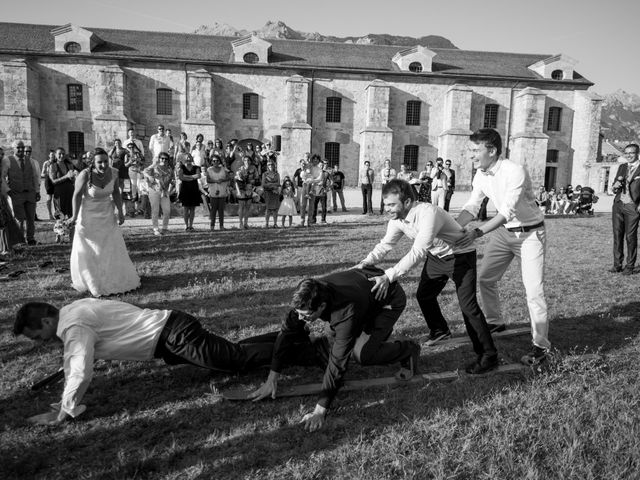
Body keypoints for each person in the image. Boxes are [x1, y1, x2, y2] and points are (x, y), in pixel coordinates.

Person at [13, 298, 299, 425]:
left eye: (37, 336)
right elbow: (75, 359)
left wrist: (64, 411)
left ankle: (303, 349)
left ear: (48, 320)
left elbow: (79, 369)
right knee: (230, 353)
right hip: (171, 329)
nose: (41, 342)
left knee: (235, 360)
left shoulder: (72, 327)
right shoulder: (73, 310)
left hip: (174, 336)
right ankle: (291, 338)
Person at [250, 267, 420, 432]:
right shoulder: (307, 294)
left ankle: (408, 349)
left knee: (363, 354)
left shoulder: (346, 312)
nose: (301, 318)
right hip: (363, 292)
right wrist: (272, 377)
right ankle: (371, 336)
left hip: (388, 299)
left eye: (307, 315)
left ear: (322, 306)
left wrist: (320, 410)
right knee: (331, 333)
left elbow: (338, 362)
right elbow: (287, 332)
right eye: (299, 313)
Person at [355, 179, 498, 373]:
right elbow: (385, 245)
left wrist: (389, 276)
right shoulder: (396, 220)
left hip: (460, 256)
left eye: (391, 204)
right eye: (385, 203)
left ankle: (488, 356)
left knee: (468, 306)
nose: (386, 208)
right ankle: (440, 330)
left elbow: (417, 252)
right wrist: (364, 263)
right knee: (424, 295)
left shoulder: (428, 213)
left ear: (406, 202)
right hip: (437, 257)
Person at [455, 128, 549, 366]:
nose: (472, 156)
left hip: (529, 235)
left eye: (476, 151)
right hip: (502, 234)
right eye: (471, 151)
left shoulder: (514, 171)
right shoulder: (480, 175)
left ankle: (541, 346)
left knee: (534, 292)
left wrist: (475, 233)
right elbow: (472, 206)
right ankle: (495, 321)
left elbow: (507, 212)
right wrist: (452, 229)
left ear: (492, 150)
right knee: (486, 278)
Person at [66, 147, 140, 296]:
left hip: (107, 215)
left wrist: (120, 212)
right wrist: (74, 217)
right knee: (92, 248)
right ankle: (93, 280)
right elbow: (76, 196)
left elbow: (116, 193)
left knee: (110, 247)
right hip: (88, 216)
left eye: (106, 161)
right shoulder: (84, 175)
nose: (104, 165)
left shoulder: (114, 172)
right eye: (100, 162)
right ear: (92, 162)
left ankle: (112, 278)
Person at [1, 140, 40, 245]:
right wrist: (8, 191)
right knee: (19, 218)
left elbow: (35, 177)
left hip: (30, 193)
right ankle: (20, 240)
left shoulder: (31, 161)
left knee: (31, 218)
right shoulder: (8, 160)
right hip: (16, 193)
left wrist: (37, 191)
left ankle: (30, 238)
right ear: (13, 149)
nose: (21, 149)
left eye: (22, 147)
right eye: (18, 147)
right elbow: (2, 177)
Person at [610, 143, 640, 274]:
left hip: (633, 206)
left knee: (630, 236)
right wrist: (615, 186)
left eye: (631, 153)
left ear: (637, 153)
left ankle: (629, 266)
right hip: (618, 204)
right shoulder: (622, 167)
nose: (628, 155)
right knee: (617, 235)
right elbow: (615, 185)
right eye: (626, 153)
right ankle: (617, 265)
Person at [0, 147, 25, 255]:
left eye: (2, 154)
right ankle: (4, 248)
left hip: (2, 197)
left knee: (7, 221)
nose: (1, 156)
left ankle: (8, 246)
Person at [144, 152, 175, 236]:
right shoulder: (154, 167)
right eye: (162, 158)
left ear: (168, 160)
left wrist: (171, 188)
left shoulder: (170, 170)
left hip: (164, 192)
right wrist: (152, 166)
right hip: (154, 190)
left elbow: (172, 181)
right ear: (159, 159)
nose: (164, 160)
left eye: (166, 159)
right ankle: (155, 229)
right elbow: (145, 171)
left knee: (167, 210)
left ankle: (164, 228)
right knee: (155, 210)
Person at [49, 147, 78, 219]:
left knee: (71, 215)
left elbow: (72, 180)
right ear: (55, 155)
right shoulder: (53, 166)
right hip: (59, 194)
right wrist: (66, 176)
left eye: (63, 154)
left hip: (70, 193)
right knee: (60, 216)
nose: (61, 156)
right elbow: (53, 181)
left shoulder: (69, 165)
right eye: (59, 154)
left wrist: (73, 177)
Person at [177, 153, 202, 231]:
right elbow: (180, 177)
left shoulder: (196, 167)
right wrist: (192, 177)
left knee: (192, 209)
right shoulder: (182, 167)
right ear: (184, 159)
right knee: (186, 208)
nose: (188, 159)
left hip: (194, 189)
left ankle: (191, 225)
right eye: (187, 158)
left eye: (190, 158)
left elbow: (198, 176)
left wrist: (186, 176)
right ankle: (186, 225)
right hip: (185, 189)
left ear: (192, 159)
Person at [205, 154, 229, 231]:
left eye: (217, 160)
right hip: (213, 191)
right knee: (213, 209)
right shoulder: (209, 169)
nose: (215, 162)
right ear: (211, 161)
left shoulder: (224, 169)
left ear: (219, 161)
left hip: (222, 190)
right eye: (214, 161)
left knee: (221, 210)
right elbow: (208, 180)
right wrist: (215, 181)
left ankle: (221, 226)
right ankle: (212, 226)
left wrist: (222, 180)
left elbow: (229, 177)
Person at [235, 155, 259, 229]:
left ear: (250, 161)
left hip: (249, 189)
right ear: (243, 161)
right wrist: (238, 191)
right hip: (242, 190)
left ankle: (246, 223)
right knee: (241, 207)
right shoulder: (240, 169)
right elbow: (236, 181)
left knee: (248, 207)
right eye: (245, 160)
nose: (247, 162)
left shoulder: (254, 168)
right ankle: (240, 223)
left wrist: (252, 186)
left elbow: (256, 179)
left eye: (248, 160)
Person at [300, 154, 323, 226]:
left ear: (319, 161)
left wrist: (312, 180)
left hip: (313, 187)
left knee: (311, 205)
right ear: (312, 160)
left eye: (317, 160)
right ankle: (302, 220)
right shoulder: (309, 166)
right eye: (314, 159)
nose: (315, 161)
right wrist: (305, 172)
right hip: (305, 185)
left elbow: (320, 179)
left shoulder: (319, 170)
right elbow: (302, 175)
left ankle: (309, 221)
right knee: (303, 204)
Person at [125, 141, 146, 216]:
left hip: (138, 170)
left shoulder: (138, 154)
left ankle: (140, 198)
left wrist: (139, 161)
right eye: (129, 147)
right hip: (131, 170)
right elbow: (125, 164)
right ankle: (134, 198)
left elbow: (143, 161)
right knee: (133, 185)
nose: (131, 149)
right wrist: (130, 162)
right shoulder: (127, 155)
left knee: (139, 184)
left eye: (132, 147)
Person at [262, 161, 281, 228]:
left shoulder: (277, 174)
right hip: (268, 192)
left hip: (275, 192)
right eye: (269, 165)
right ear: (267, 166)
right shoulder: (265, 174)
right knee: (268, 209)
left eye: (272, 164)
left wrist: (270, 184)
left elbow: (278, 183)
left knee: (275, 209)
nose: (271, 166)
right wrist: (272, 186)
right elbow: (263, 184)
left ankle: (275, 223)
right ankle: (266, 223)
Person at [311, 161, 331, 225]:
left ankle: (323, 220)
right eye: (320, 165)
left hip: (323, 192)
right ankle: (313, 220)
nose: (321, 166)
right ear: (318, 166)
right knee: (314, 207)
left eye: (322, 165)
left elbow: (332, 181)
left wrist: (327, 188)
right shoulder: (314, 173)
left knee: (324, 207)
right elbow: (311, 180)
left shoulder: (326, 173)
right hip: (315, 192)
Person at [41, 150, 57, 220]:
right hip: (48, 181)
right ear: (49, 155)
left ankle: (57, 213)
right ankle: (50, 214)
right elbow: (42, 173)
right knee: (49, 197)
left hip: (56, 180)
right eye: (51, 155)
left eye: (54, 155)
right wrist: (48, 173)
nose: (52, 156)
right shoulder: (46, 163)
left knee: (56, 198)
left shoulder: (57, 162)